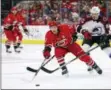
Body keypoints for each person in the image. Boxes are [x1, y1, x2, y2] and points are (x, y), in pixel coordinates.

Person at [77, 6, 111, 71]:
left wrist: (106, 37)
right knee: (84, 50)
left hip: (101, 37)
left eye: (95, 14)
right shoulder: (86, 19)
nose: (94, 15)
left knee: (109, 51)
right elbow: (77, 26)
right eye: (92, 13)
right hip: (89, 37)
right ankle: (90, 64)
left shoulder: (104, 20)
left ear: (98, 13)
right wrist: (84, 32)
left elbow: (107, 31)